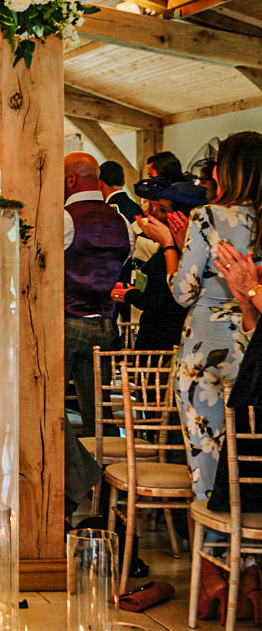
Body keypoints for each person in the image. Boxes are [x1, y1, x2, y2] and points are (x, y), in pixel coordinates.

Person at [141, 131, 262, 500]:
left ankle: (212, 548)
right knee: (249, 457)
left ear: (226, 171)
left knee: (206, 461)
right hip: (253, 345)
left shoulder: (207, 216)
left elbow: (182, 293)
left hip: (204, 349)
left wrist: (170, 247)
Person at [62, 152, 135, 514]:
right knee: (99, 416)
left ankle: (66, 490)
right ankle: (105, 502)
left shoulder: (63, 218)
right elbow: (121, 268)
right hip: (106, 328)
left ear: (71, 180)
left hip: (65, 323)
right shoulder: (122, 221)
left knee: (51, 408)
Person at [111, 178, 204, 352]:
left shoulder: (182, 252)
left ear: (180, 218)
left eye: (161, 210)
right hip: (154, 336)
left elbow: (161, 299)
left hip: (165, 343)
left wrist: (129, 294)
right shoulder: (167, 249)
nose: (152, 214)